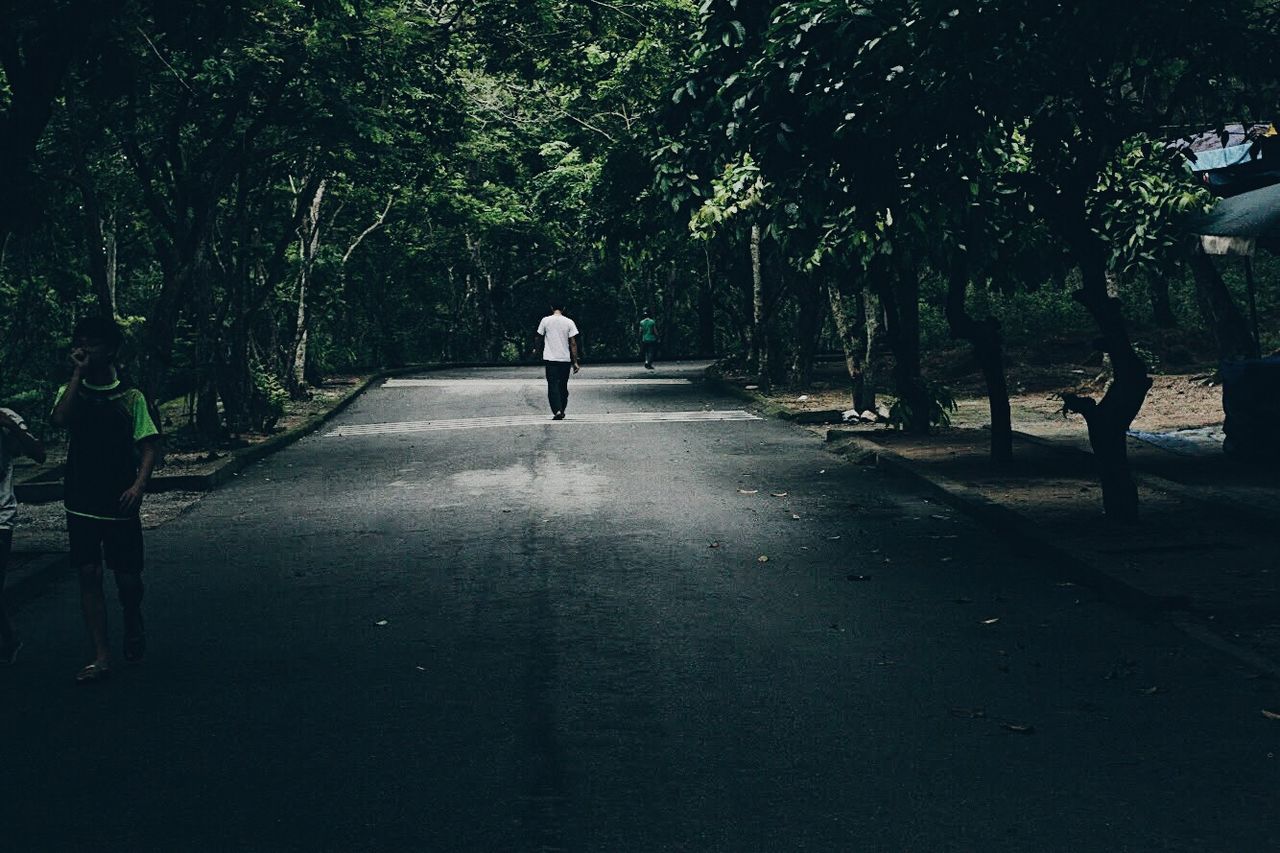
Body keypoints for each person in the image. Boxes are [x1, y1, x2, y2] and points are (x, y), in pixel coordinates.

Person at [51, 316, 161, 683]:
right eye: (80, 342)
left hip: (119, 500)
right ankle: (100, 654)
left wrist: (139, 486)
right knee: (88, 572)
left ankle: (133, 617)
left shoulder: (131, 397)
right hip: (80, 497)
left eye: (93, 343)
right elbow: (60, 419)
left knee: (128, 579)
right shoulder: (73, 391)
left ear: (111, 349)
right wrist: (77, 376)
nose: (85, 349)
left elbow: (148, 446)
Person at [0, 403, 47, 665]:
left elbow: (39, 454)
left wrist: (11, 427)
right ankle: (9, 636)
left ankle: (9, 638)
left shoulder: (6, 416)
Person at [534, 302, 581, 420]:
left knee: (553, 385)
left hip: (550, 359)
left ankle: (557, 410)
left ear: (551, 308)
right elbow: (573, 343)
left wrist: (537, 351)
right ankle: (562, 408)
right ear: (564, 308)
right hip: (565, 359)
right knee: (563, 385)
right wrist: (575, 361)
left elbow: (538, 337)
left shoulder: (545, 321)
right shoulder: (569, 322)